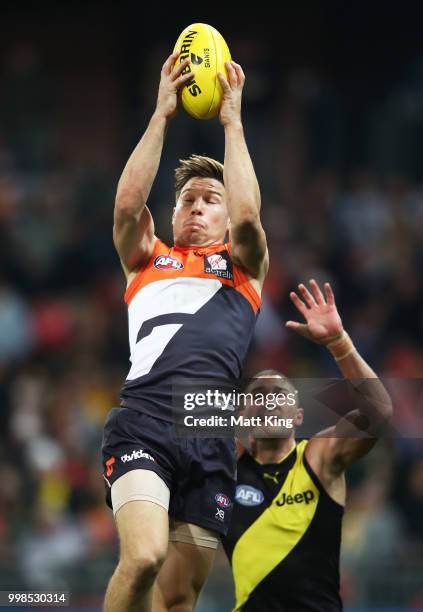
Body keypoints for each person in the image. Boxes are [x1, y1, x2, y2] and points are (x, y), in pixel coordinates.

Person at [101, 50, 268, 612]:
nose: (196, 207)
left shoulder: (244, 267)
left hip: (210, 430)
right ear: (173, 213)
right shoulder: (147, 258)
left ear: (224, 217)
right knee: (144, 557)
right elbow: (127, 206)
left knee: (175, 600)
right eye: (187, 200)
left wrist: (232, 122)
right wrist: (160, 115)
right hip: (145, 418)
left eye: (210, 200)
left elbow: (249, 219)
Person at [222, 279, 392, 611]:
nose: (269, 401)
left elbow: (378, 414)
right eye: (259, 396)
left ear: (298, 416)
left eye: (279, 395)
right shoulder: (227, 469)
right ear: (242, 417)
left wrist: (339, 343)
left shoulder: (317, 457)